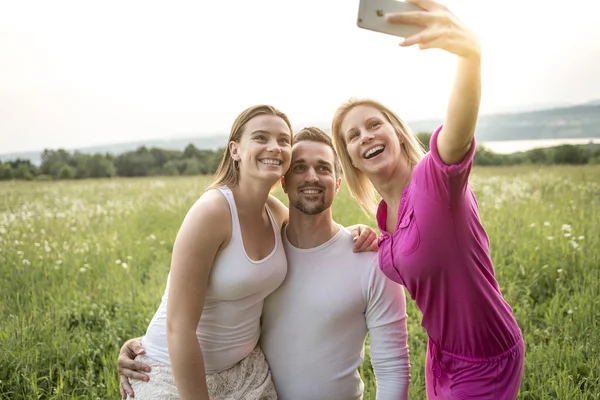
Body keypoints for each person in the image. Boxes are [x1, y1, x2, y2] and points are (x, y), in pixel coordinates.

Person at [118, 127, 410, 399]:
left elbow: (393, 369)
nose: (311, 177)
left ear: (338, 181)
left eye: (322, 168)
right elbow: (214, 309)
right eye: (299, 168)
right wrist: (149, 347)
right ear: (283, 180)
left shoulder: (369, 259)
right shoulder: (266, 256)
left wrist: (358, 233)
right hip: (251, 388)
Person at [330, 0, 525, 398]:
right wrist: (370, 239)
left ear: (397, 134)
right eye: (353, 136)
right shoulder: (384, 215)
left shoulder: (434, 181)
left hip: (487, 356)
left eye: (373, 125)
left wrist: (470, 58)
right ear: (349, 157)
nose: (365, 136)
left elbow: (458, 130)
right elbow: (407, 251)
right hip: (441, 356)